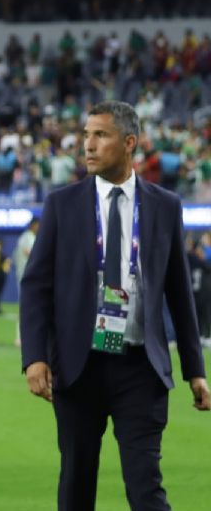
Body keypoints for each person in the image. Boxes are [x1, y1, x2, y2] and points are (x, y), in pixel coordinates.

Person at [20, 100, 210, 511]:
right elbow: (35, 285)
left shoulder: (164, 206)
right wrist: (34, 357)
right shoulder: (62, 204)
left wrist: (195, 370)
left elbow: (179, 292)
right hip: (78, 367)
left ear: (129, 143)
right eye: (86, 135)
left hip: (140, 369)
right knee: (77, 483)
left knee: (146, 488)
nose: (87, 144)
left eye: (100, 135)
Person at [13, 217, 40, 346]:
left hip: (26, 277)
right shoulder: (28, 237)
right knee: (26, 307)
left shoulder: (25, 237)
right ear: (33, 225)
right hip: (27, 278)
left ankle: (25, 337)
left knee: (30, 307)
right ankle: (20, 337)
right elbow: (31, 253)